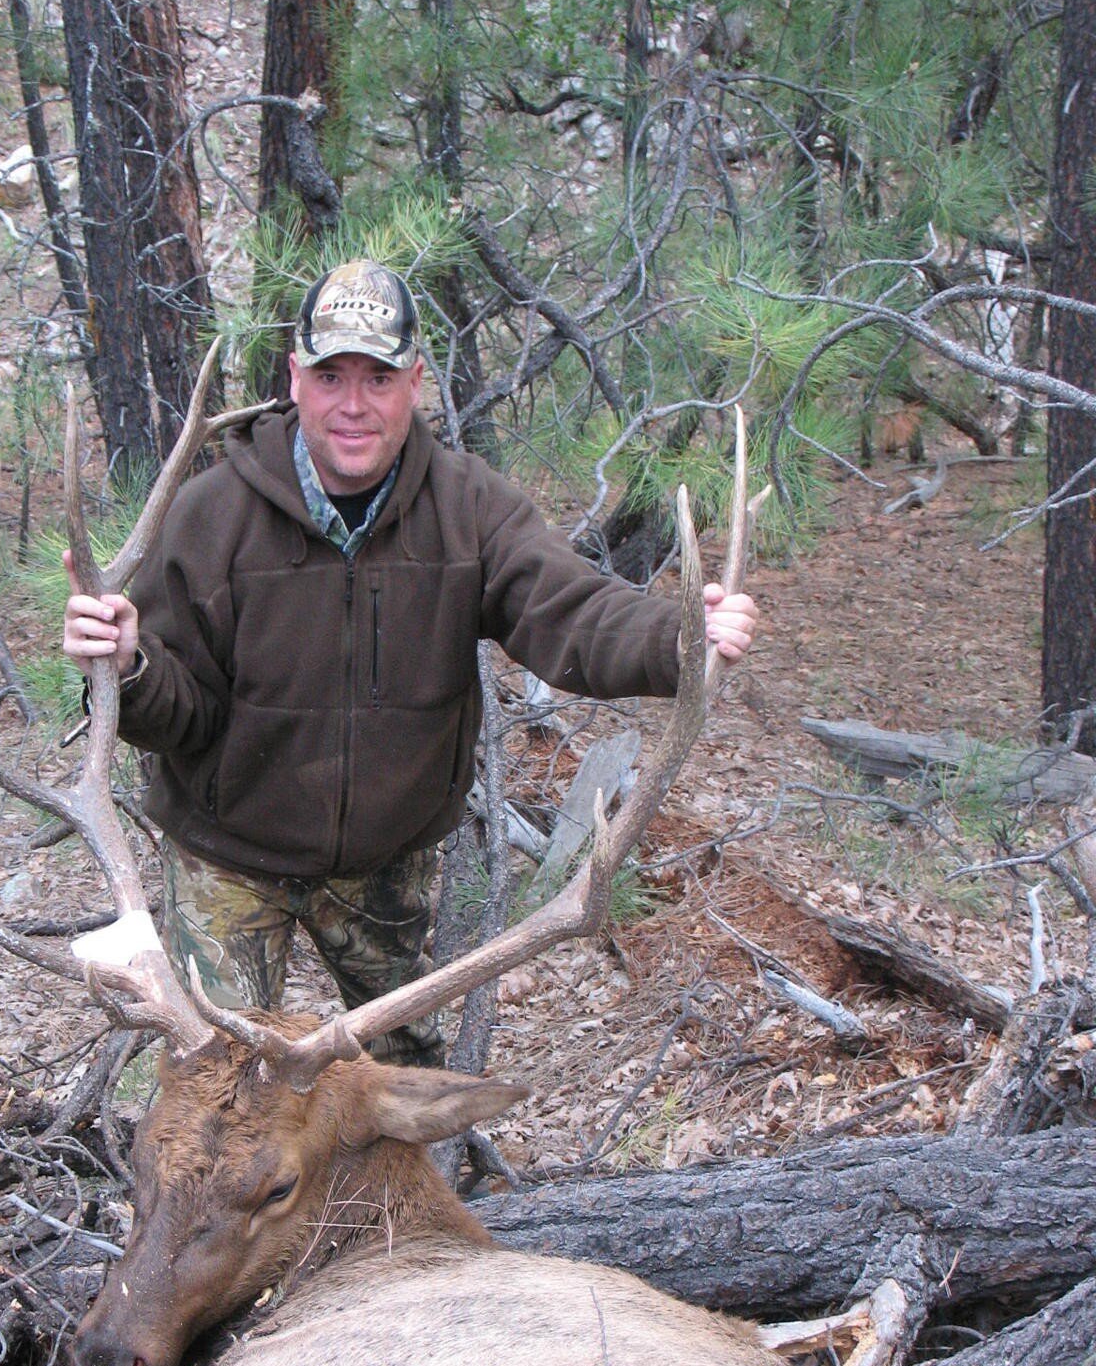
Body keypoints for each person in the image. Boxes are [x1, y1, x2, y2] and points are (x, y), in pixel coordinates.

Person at [63, 259, 758, 1063]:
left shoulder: (469, 508)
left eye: (379, 377)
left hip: (385, 865)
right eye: (330, 375)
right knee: (215, 1092)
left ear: (416, 382)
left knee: (404, 1091)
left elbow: (567, 612)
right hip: (229, 857)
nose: (353, 405)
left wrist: (675, 636)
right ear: (295, 378)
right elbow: (181, 713)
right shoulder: (212, 515)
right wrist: (130, 663)